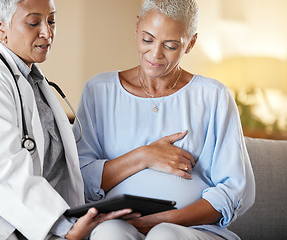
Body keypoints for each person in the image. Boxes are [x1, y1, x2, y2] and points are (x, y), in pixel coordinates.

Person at [0, 0, 135, 239]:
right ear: (1, 26)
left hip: (30, 221)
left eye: (52, 21)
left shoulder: (35, 83)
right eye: (34, 22)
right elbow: (3, 172)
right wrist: (65, 227)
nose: (47, 32)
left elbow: (58, 171)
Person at [73, 0, 255, 239]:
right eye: (147, 39)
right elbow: (79, 179)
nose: (155, 54)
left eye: (170, 45)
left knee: (164, 236)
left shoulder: (214, 96)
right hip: (116, 222)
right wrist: (144, 156)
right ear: (137, 26)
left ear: (190, 43)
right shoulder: (99, 91)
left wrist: (163, 220)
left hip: (193, 229)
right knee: (109, 234)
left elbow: (233, 191)